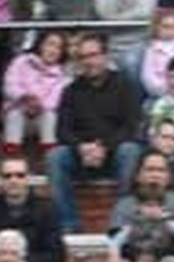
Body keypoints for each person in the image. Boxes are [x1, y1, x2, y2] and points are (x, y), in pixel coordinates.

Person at [49, 34, 144, 234]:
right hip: (81, 155)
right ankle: (69, 225)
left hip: (115, 152)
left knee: (131, 150)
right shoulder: (71, 90)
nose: (89, 62)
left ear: (105, 56)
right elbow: (62, 131)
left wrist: (104, 147)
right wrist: (82, 147)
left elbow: (132, 127)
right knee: (55, 156)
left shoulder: (125, 86)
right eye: (83, 57)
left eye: (93, 55)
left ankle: (119, 222)